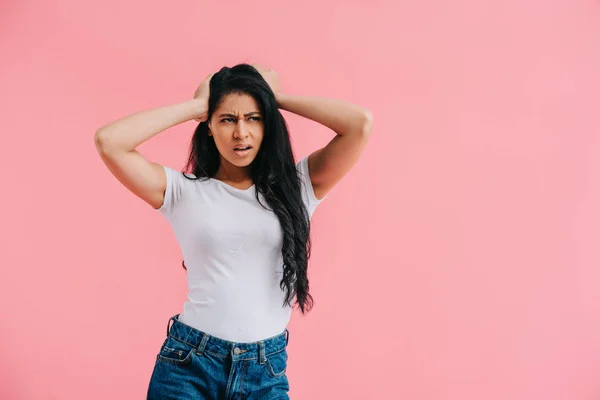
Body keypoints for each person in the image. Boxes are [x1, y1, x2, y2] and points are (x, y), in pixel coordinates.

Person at [94, 63, 373, 399]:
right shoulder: (184, 192)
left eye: (253, 118)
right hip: (189, 365)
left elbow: (359, 125)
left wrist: (277, 99)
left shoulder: (297, 188)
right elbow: (109, 141)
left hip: (265, 371)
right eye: (227, 119)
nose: (241, 132)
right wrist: (197, 106)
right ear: (209, 127)